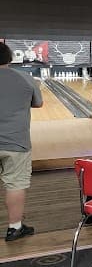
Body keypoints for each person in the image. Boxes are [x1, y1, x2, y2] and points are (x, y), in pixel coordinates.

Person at [0, 41, 43, 241]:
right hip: (16, 142)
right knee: (15, 184)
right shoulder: (26, 78)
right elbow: (38, 103)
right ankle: (15, 228)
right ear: (9, 58)